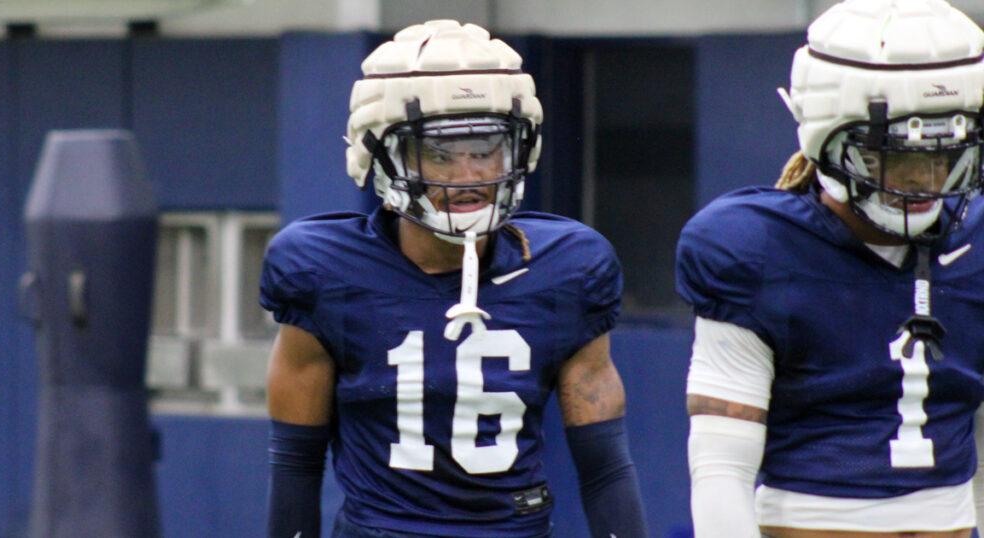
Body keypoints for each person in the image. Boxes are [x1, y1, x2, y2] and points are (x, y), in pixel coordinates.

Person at [260, 19, 648, 538]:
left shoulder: (568, 268)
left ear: (520, 148)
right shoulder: (322, 270)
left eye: (485, 149)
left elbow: (604, 468)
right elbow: (295, 465)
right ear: (381, 154)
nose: (468, 176)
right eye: (439, 154)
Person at [675, 0, 984, 536]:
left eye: (943, 153)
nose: (924, 180)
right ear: (827, 140)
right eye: (897, 155)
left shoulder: (975, 240)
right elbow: (722, 468)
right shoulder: (756, 247)